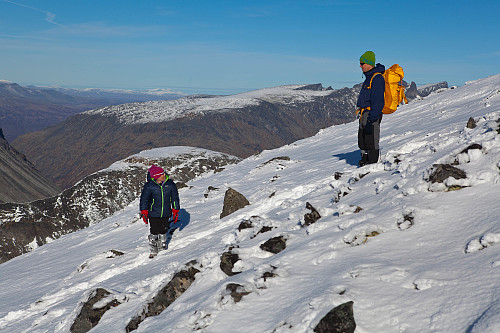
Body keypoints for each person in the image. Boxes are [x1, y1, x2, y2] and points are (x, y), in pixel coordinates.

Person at [140, 165, 180, 258]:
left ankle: (162, 245)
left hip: (166, 212)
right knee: (154, 230)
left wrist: (175, 209)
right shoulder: (149, 186)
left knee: (163, 229)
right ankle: (153, 246)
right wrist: (144, 211)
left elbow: (174, 198)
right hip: (153, 212)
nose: (164, 175)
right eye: (161, 174)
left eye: (163, 173)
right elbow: (144, 199)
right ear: (156, 176)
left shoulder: (170, 184)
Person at [356, 50, 385, 166]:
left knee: (371, 139)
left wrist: (372, 118)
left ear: (369, 63)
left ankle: (372, 164)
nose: (360, 66)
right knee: (363, 139)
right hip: (365, 114)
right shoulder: (369, 77)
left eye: (362, 63)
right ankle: (364, 160)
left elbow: (378, 100)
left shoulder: (377, 78)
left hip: (371, 114)